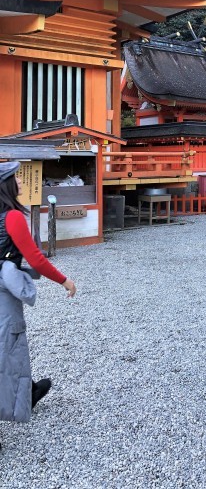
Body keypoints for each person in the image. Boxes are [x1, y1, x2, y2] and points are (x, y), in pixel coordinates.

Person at [0, 161, 77, 443]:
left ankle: (29, 391)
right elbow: (35, 258)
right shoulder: (12, 218)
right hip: (3, 293)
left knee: (8, 349)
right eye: (15, 177)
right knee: (7, 348)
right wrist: (64, 280)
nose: (20, 181)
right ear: (6, 185)